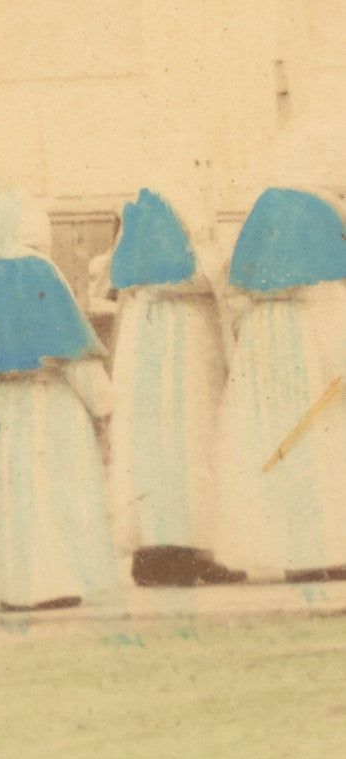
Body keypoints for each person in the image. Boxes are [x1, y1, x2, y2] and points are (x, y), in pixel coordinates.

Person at [0, 186, 120, 612]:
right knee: (42, 492)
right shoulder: (39, 271)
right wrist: (103, 404)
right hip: (43, 400)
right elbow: (70, 346)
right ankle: (45, 582)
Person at [108, 188, 244, 588]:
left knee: (158, 449)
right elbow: (208, 276)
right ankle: (185, 549)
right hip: (185, 348)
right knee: (189, 444)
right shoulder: (190, 264)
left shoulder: (136, 264)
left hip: (151, 350)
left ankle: (165, 552)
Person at [209, 187, 346, 581]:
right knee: (319, 458)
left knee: (275, 454)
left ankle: (289, 554)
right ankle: (322, 551)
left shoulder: (257, 305)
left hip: (265, 375)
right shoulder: (321, 290)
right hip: (313, 379)